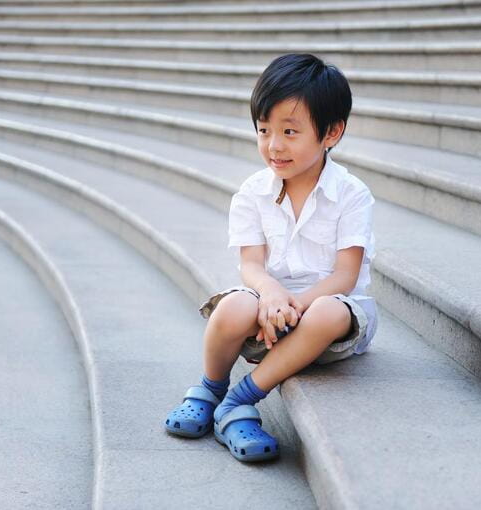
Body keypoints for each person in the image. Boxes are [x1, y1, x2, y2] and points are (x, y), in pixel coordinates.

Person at [164, 53, 378, 462]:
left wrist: (293, 305)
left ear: (331, 132)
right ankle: (210, 390)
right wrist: (271, 295)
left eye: (290, 131)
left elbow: (346, 275)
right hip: (269, 309)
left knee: (327, 313)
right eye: (264, 130)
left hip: (328, 316)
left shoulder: (352, 194)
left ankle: (241, 401)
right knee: (232, 305)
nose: (274, 145)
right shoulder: (252, 192)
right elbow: (251, 266)